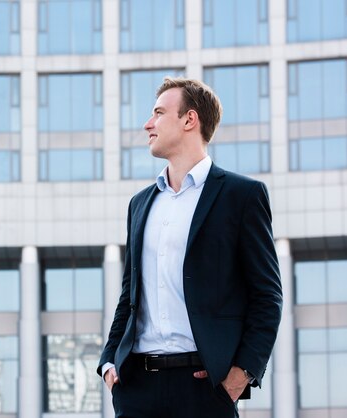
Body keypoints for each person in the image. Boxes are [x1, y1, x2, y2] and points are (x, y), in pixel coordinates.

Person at [97, 77, 283, 418]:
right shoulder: (140, 204)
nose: (147, 124)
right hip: (137, 388)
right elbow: (129, 295)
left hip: (205, 390)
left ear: (189, 120)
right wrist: (109, 361)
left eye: (157, 113)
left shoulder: (242, 196)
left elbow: (267, 296)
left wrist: (240, 375)